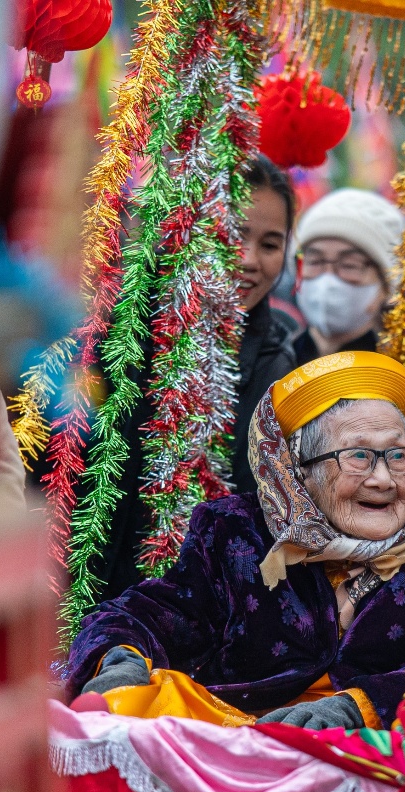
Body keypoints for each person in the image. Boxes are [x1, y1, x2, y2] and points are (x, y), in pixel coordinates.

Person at [66, 351, 405, 739]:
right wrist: (119, 658)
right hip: (238, 734)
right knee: (133, 705)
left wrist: (360, 709)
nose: (383, 479)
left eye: (399, 455)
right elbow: (150, 613)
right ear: (299, 471)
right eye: (358, 456)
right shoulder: (236, 531)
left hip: (377, 752)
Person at [88, 156, 299, 601]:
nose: (248, 261)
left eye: (270, 244)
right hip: (83, 604)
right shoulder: (115, 331)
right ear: (192, 231)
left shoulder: (277, 362)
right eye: (235, 235)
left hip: (204, 616)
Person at [292, 189, 405, 483]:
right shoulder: (276, 361)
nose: (328, 279)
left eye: (349, 266)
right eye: (315, 261)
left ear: (387, 285)